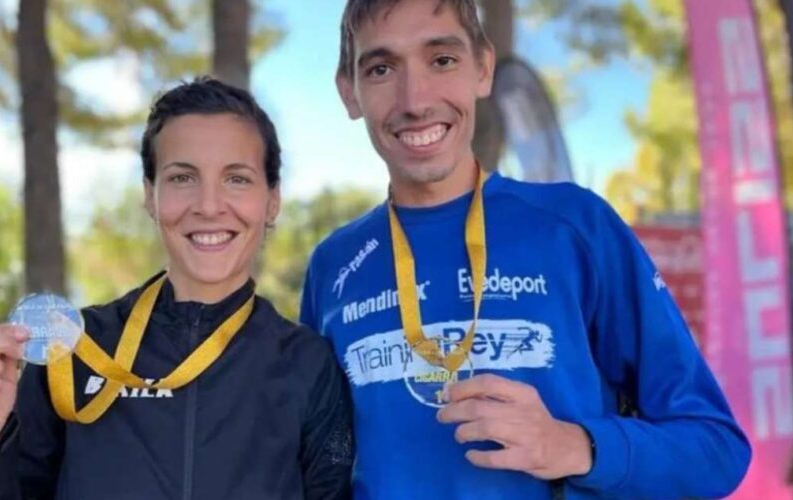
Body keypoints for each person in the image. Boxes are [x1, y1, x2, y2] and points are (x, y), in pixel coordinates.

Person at [299, 0, 751, 498]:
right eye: (382, 68)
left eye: (442, 60)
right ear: (349, 92)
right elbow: (318, 465)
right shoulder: (334, 266)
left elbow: (716, 449)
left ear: (483, 68)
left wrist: (575, 446)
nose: (416, 99)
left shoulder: (575, 227)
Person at [0, 78, 353, 500]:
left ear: (273, 199)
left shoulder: (309, 365)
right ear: (150, 196)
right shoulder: (74, 350)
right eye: (182, 177)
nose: (208, 206)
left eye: (237, 179)